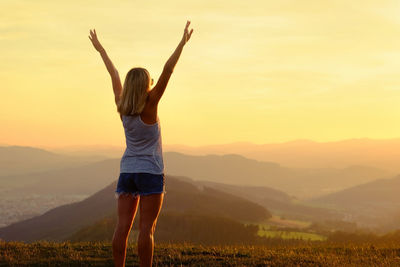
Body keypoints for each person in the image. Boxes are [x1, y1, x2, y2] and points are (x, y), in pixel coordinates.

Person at [88, 21, 193, 267]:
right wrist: (182, 43)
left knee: (122, 228)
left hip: (127, 171)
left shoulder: (121, 105)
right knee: (147, 230)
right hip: (150, 172)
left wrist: (101, 50)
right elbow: (168, 70)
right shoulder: (151, 103)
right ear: (146, 84)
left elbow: (113, 74)